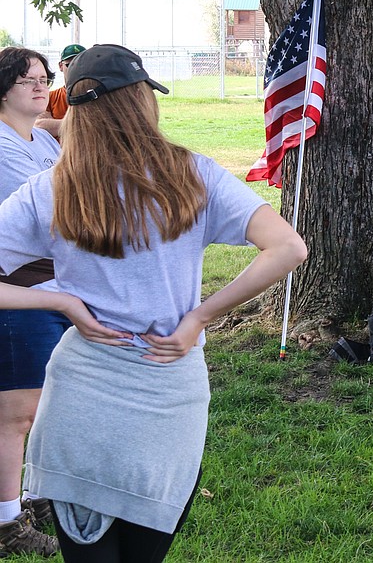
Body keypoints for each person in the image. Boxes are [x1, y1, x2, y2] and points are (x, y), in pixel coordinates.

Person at [0, 44, 307, 562]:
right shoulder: (195, 174)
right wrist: (200, 316)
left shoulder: (51, 188)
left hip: (83, 394)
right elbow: (288, 248)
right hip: (171, 388)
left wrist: (63, 302)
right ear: (143, 102)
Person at [0, 48, 65, 558]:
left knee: (53, 401)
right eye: (26, 79)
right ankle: (6, 522)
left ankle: (40, 494)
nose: (39, 85)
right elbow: (50, 210)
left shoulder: (41, 137)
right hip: (17, 288)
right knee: (16, 412)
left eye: (44, 78)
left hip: (59, 284)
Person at [33, 44, 86, 140]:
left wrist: (55, 125)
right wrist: (83, 125)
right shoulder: (49, 97)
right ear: (61, 66)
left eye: (81, 64)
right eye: (70, 65)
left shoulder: (95, 95)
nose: (76, 68)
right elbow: (39, 125)